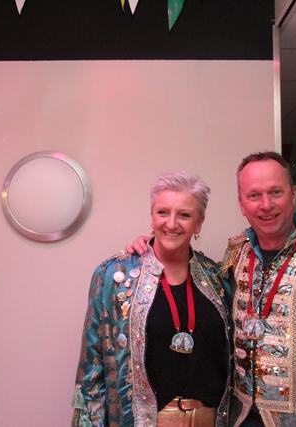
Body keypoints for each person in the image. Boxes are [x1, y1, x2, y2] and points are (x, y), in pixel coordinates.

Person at [128, 152, 296, 426]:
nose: (266, 205)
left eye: (276, 192)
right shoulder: (235, 255)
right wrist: (152, 247)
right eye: (254, 195)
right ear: (242, 204)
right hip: (242, 419)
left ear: (293, 194)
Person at [71, 171, 232, 427]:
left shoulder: (217, 278)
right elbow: (92, 366)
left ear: (199, 223)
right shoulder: (115, 276)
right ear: (152, 216)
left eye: (184, 215)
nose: (171, 223)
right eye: (163, 212)